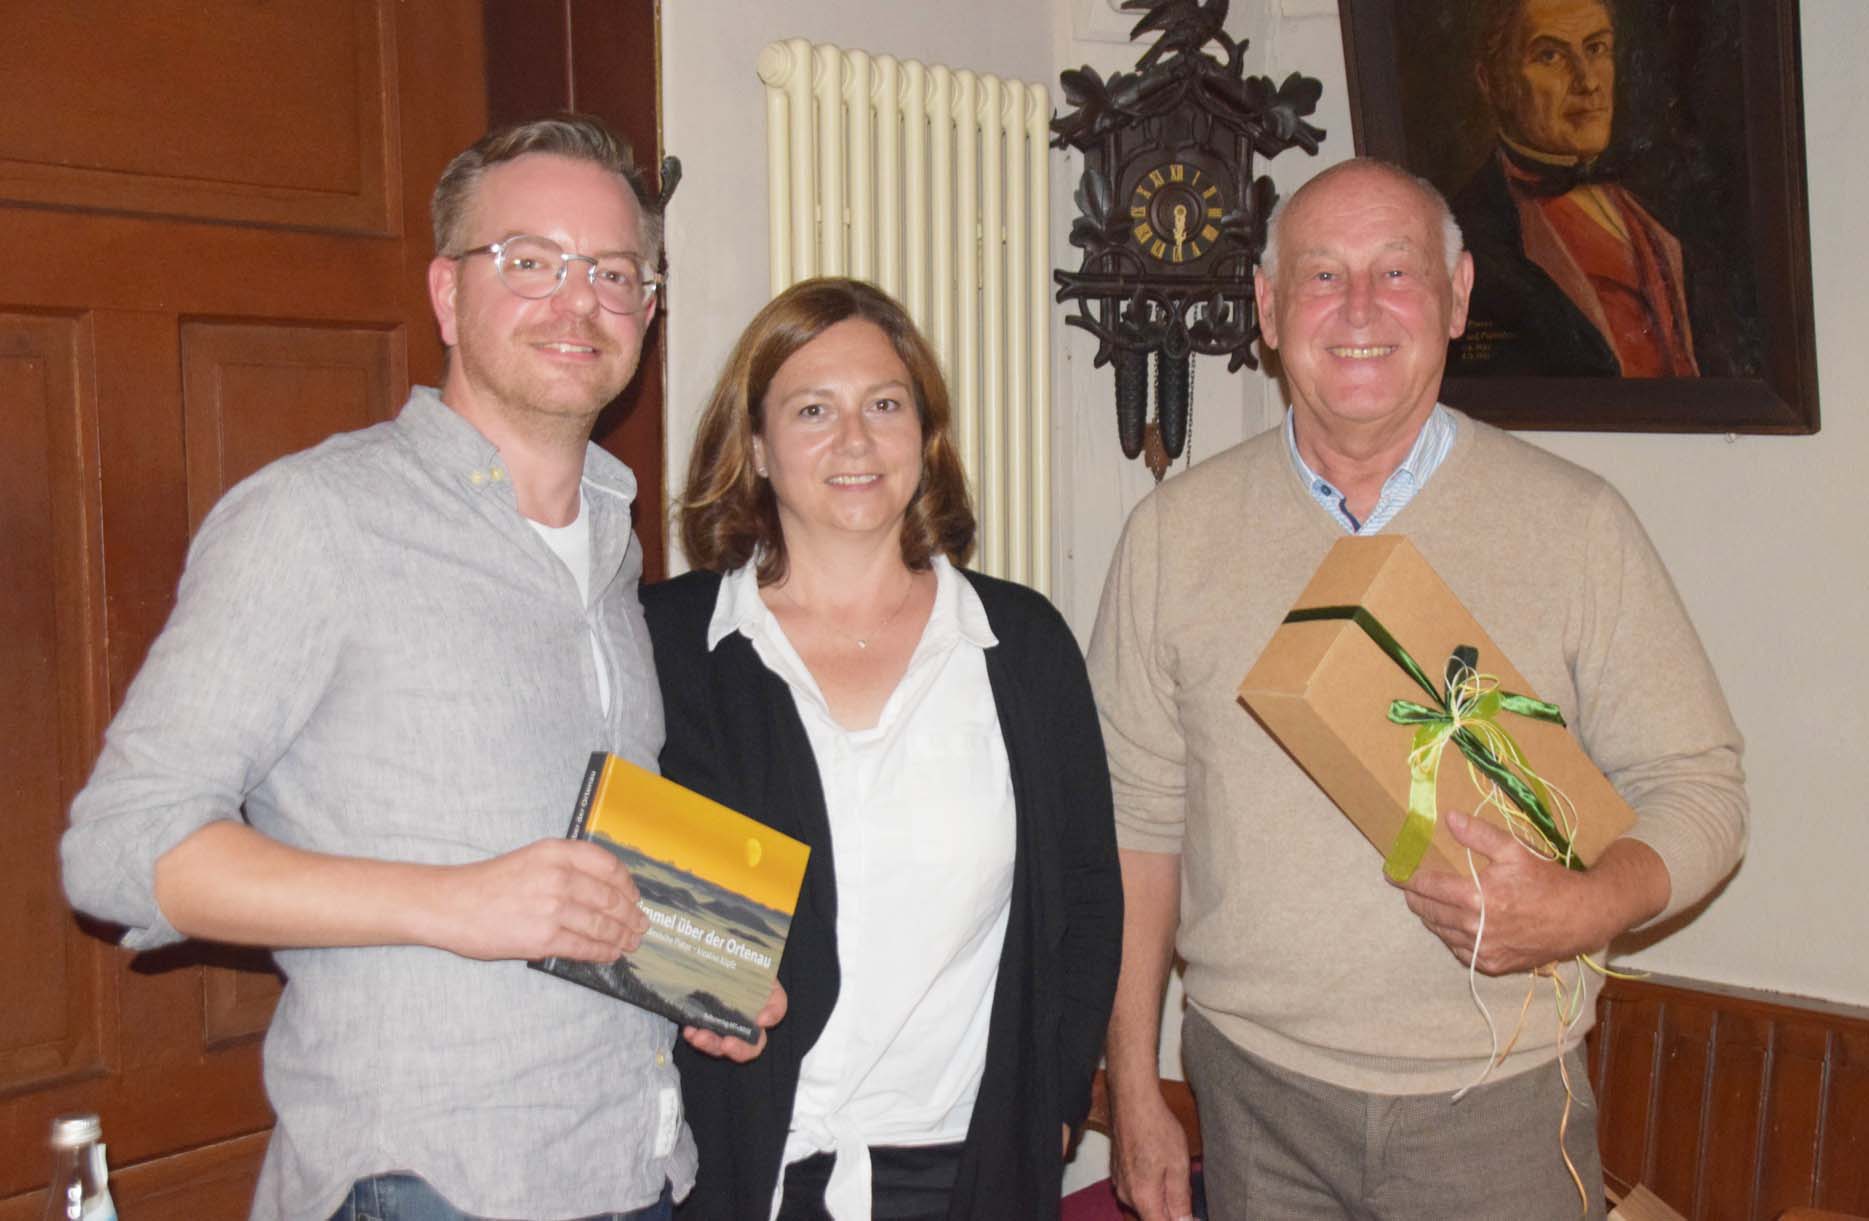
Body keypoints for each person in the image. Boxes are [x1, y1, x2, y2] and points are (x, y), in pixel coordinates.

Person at [61, 115, 780, 1221]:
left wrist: (693, 968)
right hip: (426, 1186)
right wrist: (453, 903)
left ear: (646, 311)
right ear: (448, 294)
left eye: (612, 272)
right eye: (530, 261)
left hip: (631, 1165)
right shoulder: (315, 519)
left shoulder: (612, 538)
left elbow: (562, 856)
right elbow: (117, 851)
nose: (577, 300)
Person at [1090, 158, 1747, 1220]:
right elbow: (1134, 824)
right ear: (1268, 308)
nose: (1358, 308)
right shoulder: (1173, 535)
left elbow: (1702, 793)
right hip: (1252, 1098)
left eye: (1396, 272)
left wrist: (1580, 908)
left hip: (1497, 1106)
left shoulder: (1577, 526)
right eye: (1321, 275)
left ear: (1457, 297)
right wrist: (1132, 1084)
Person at [643, 277, 1123, 1220]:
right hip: (737, 1168)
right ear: (755, 446)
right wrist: (686, 986)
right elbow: (615, 879)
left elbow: (1085, 896)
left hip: (968, 1168)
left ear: (925, 435)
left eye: (885, 405)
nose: (855, 440)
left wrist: (1056, 1104)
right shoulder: (670, 645)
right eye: (812, 410)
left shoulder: (1020, 644)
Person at [1450, 0, 1701, 378]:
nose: (1588, 82)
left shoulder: (1644, 202)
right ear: (1493, 82)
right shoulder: (1472, 232)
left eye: (1596, 48)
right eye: (1550, 56)